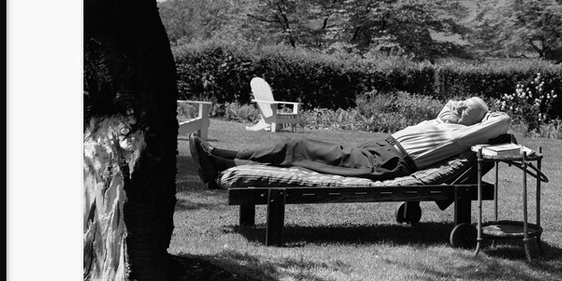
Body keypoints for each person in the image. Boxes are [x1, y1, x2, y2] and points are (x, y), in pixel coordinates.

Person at [189, 96, 511, 186]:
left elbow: (504, 120)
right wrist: (461, 109)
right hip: (377, 149)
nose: (455, 105)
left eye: (464, 106)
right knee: (297, 149)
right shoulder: (446, 122)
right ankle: (220, 162)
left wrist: (486, 115)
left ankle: (219, 157)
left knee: (296, 147)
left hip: (386, 162)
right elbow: (447, 111)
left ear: (479, 120)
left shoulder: (463, 135)